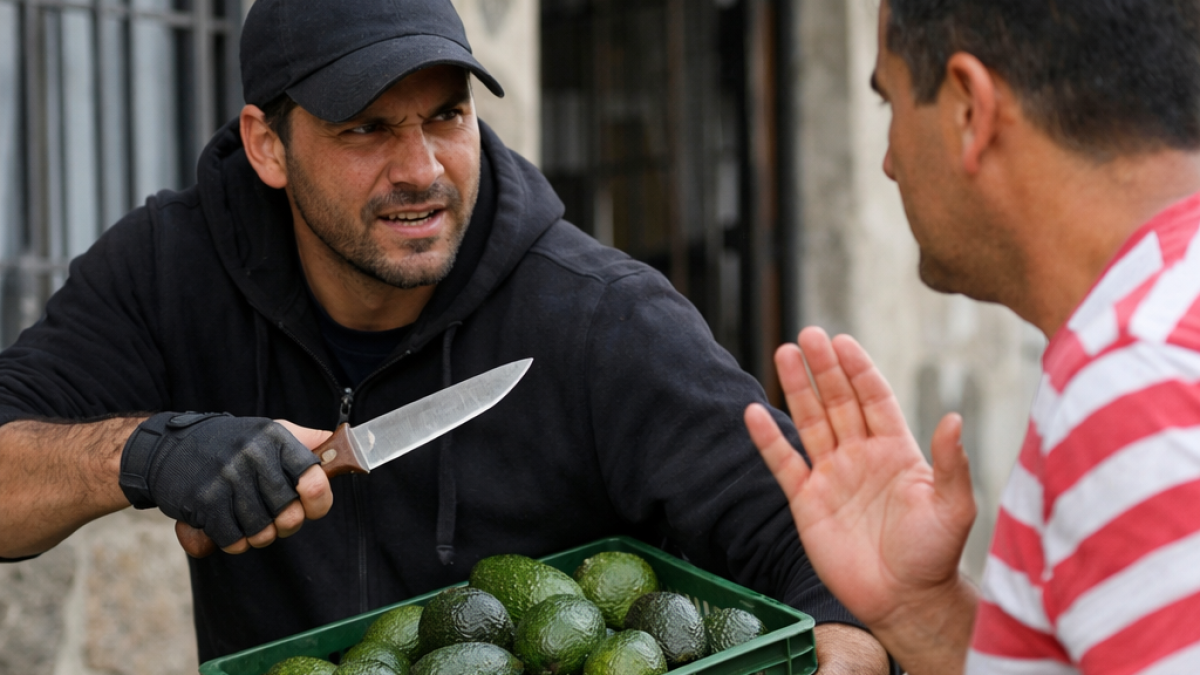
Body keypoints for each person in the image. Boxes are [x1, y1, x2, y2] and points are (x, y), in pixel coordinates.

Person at [0, 0, 892, 669]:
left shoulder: (603, 319)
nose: (421, 169)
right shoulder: (170, 270)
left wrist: (848, 650)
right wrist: (143, 454)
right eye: (368, 128)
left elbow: (827, 572)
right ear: (267, 146)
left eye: (446, 115)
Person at [745, 0, 1200, 673]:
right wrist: (919, 609)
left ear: (968, 108)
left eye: (889, 105)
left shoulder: (1134, 389)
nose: (889, 162)